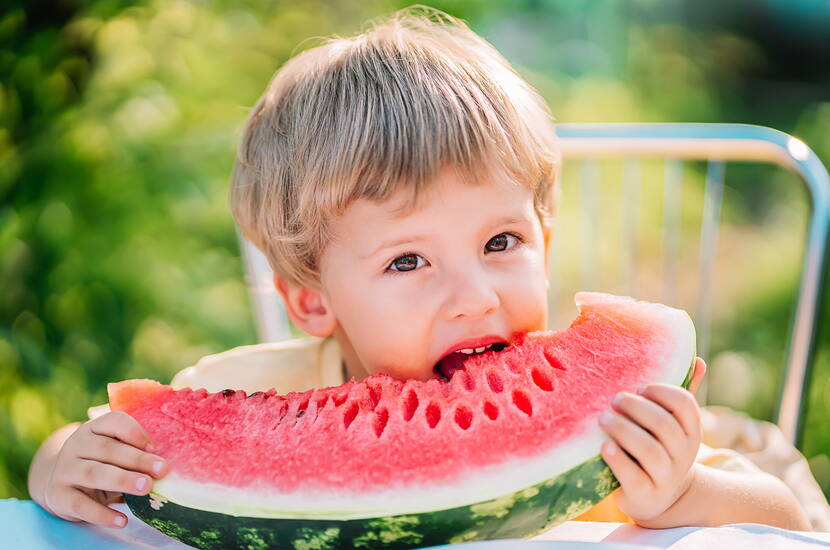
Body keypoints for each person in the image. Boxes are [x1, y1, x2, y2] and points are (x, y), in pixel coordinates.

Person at [28, 6, 814, 532]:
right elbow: (118, 444)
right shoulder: (259, 383)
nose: (473, 297)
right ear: (309, 301)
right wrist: (61, 462)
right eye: (408, 260)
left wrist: (682, 492)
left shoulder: (620, 432)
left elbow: (790, 522)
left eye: (501, 243)